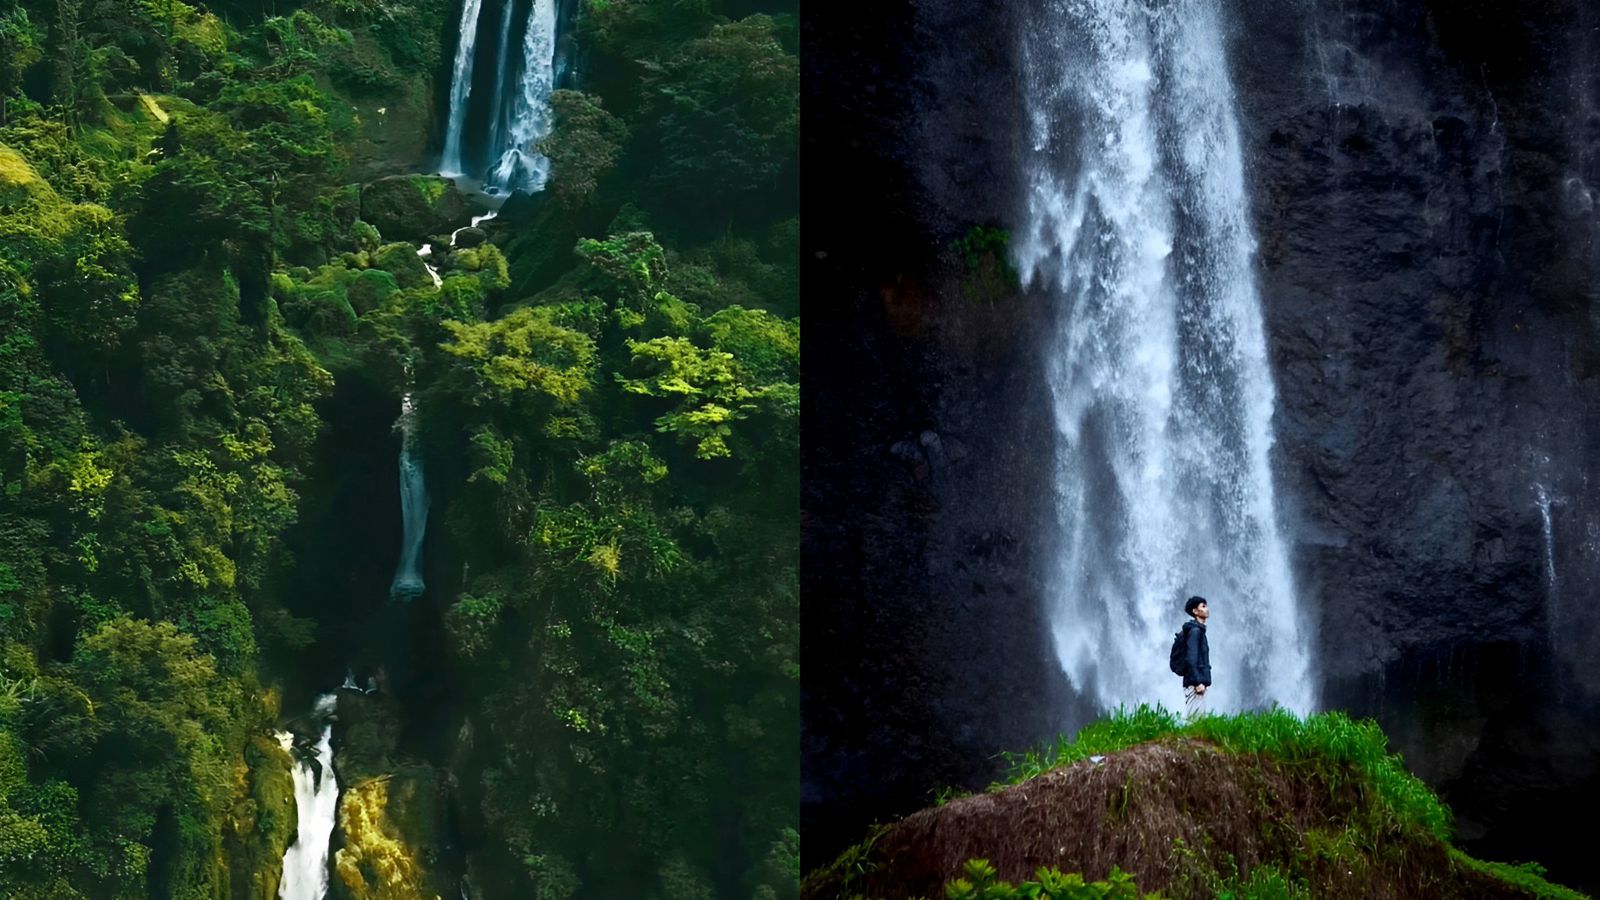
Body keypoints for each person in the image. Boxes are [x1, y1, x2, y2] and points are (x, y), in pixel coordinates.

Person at [1180, 595, 1211, 720]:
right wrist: (1198, 682)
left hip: (1198, 683)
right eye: (1203, 606)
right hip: (1195, 684)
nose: (1207, 609)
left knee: (1198, 719)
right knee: (1195, 720)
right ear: (1195, 611)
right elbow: (1191, 658)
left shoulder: (1197, 631)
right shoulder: (1195, 632)